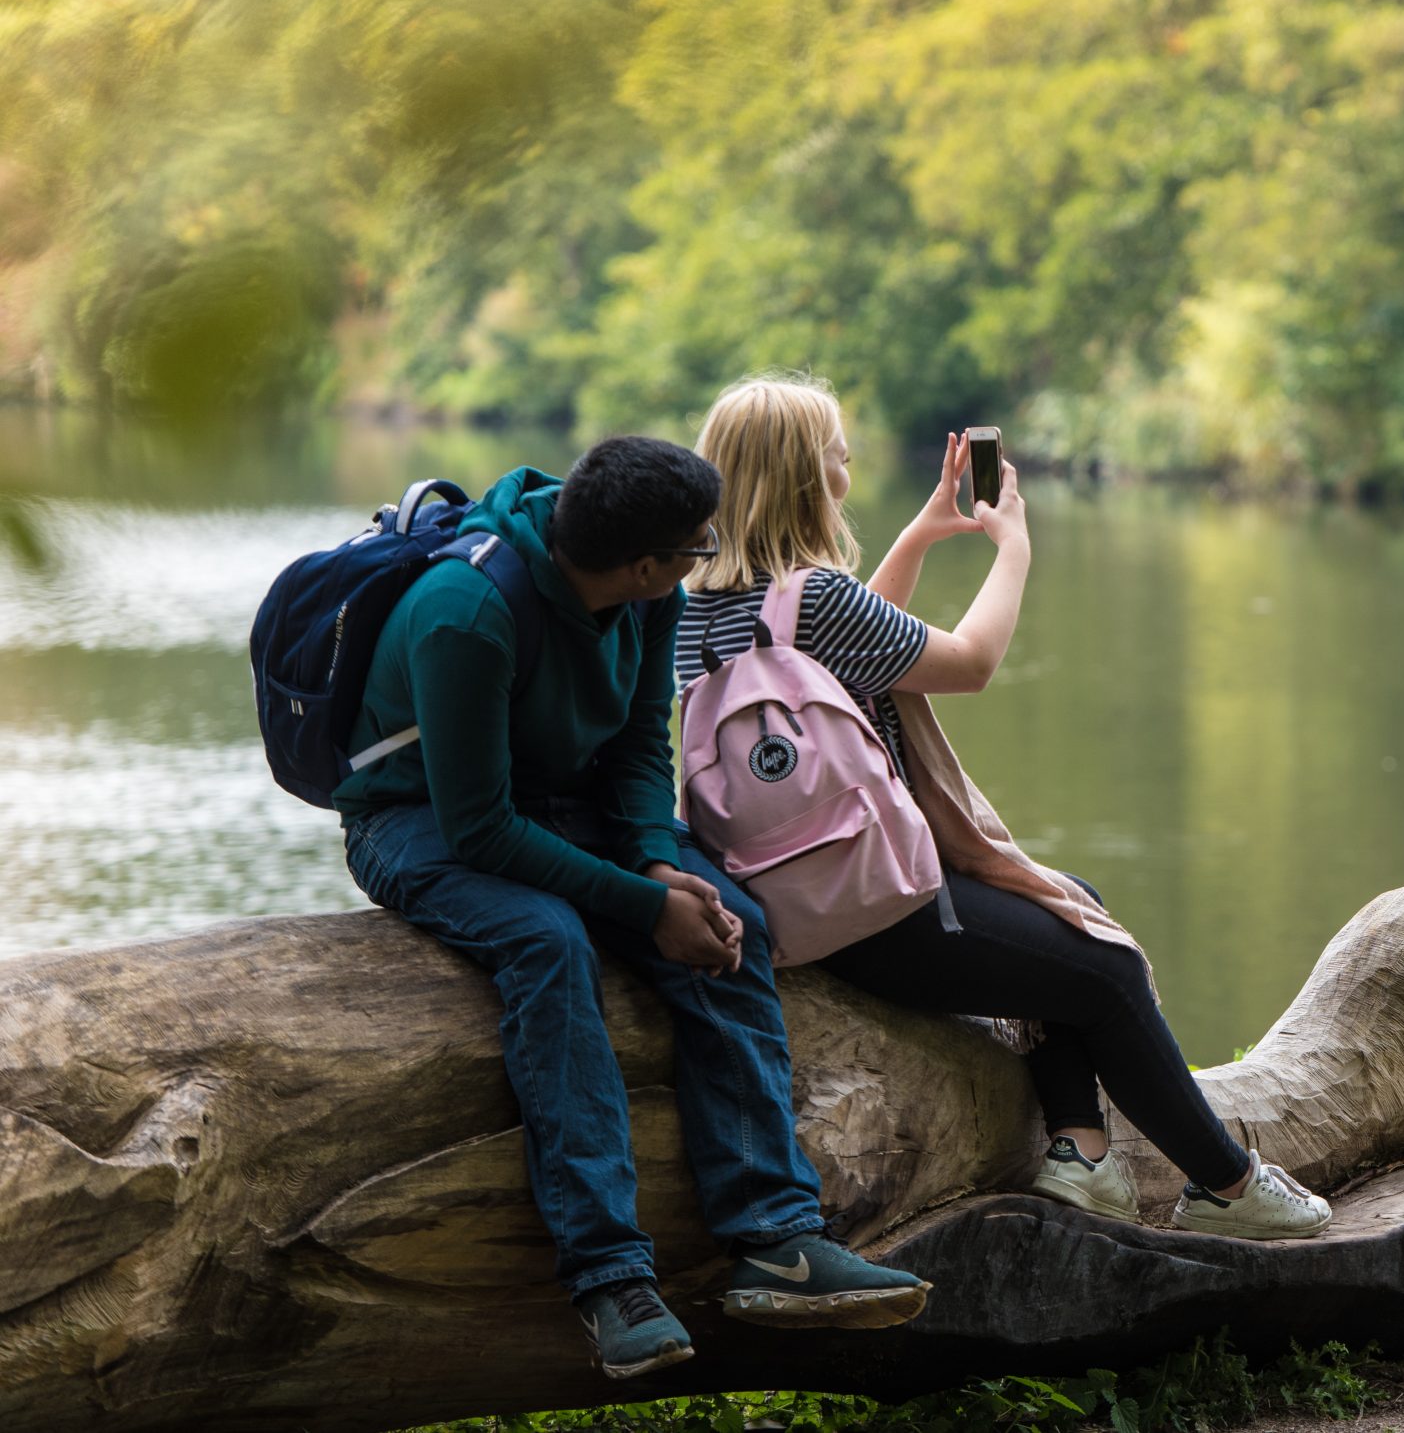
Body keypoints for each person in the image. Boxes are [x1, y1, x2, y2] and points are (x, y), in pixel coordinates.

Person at [678, 374, 1332, 1242]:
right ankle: (1226, 1181)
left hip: (800, 905)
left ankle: (1085, 1156)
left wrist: (919, 533)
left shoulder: (696, 613)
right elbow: (971, 660)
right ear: (808, 480)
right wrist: (1012, 545)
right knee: (1104, 968)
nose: (848, 466)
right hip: (883, 912)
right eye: (837, 454)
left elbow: (827, 665)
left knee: (1070, 896)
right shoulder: (816, 600)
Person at [334, 437, 930, 1383]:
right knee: (547, 939)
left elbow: (638, 755)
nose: (704, 559)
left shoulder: (652, 599)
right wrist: (644, 904)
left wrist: (662, 859)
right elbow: (481, 829)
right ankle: (610, 1275)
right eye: (694, 548)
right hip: (420, 821)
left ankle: (776, 1234)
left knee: (735, 921)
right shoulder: (468, 614)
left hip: (562, 800)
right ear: (644, 561)